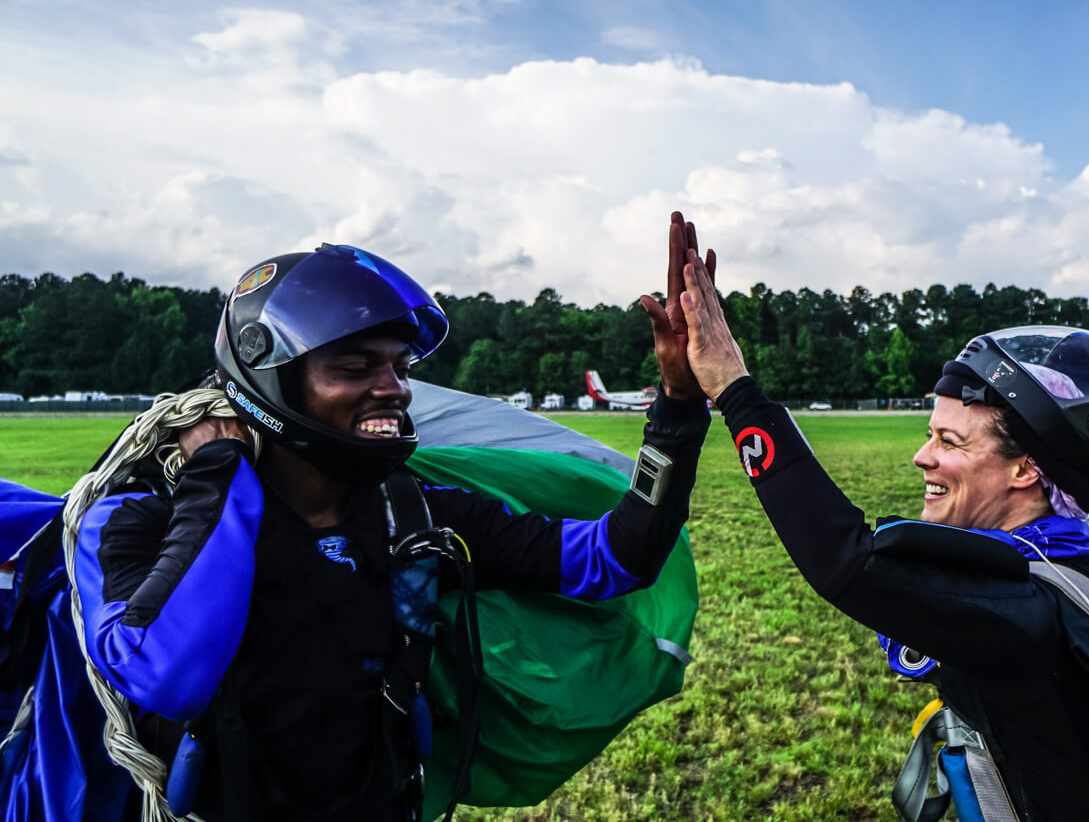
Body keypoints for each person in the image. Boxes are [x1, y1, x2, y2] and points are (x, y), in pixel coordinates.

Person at [73, 233, 712, 822]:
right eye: (356, 368)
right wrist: (219, 474)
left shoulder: (413, 515)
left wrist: (679, 408)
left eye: (400, 367)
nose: (396, 389)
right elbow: (166, 673)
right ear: (270, 378)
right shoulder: (135, 517)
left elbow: (616, 559)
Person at [669, 216, 1089, 820]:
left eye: (951, 443)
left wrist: (733, 389)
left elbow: (848, 560)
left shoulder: (1027, 615)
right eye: (929, 433)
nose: (921, 456)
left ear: (1027, 470)